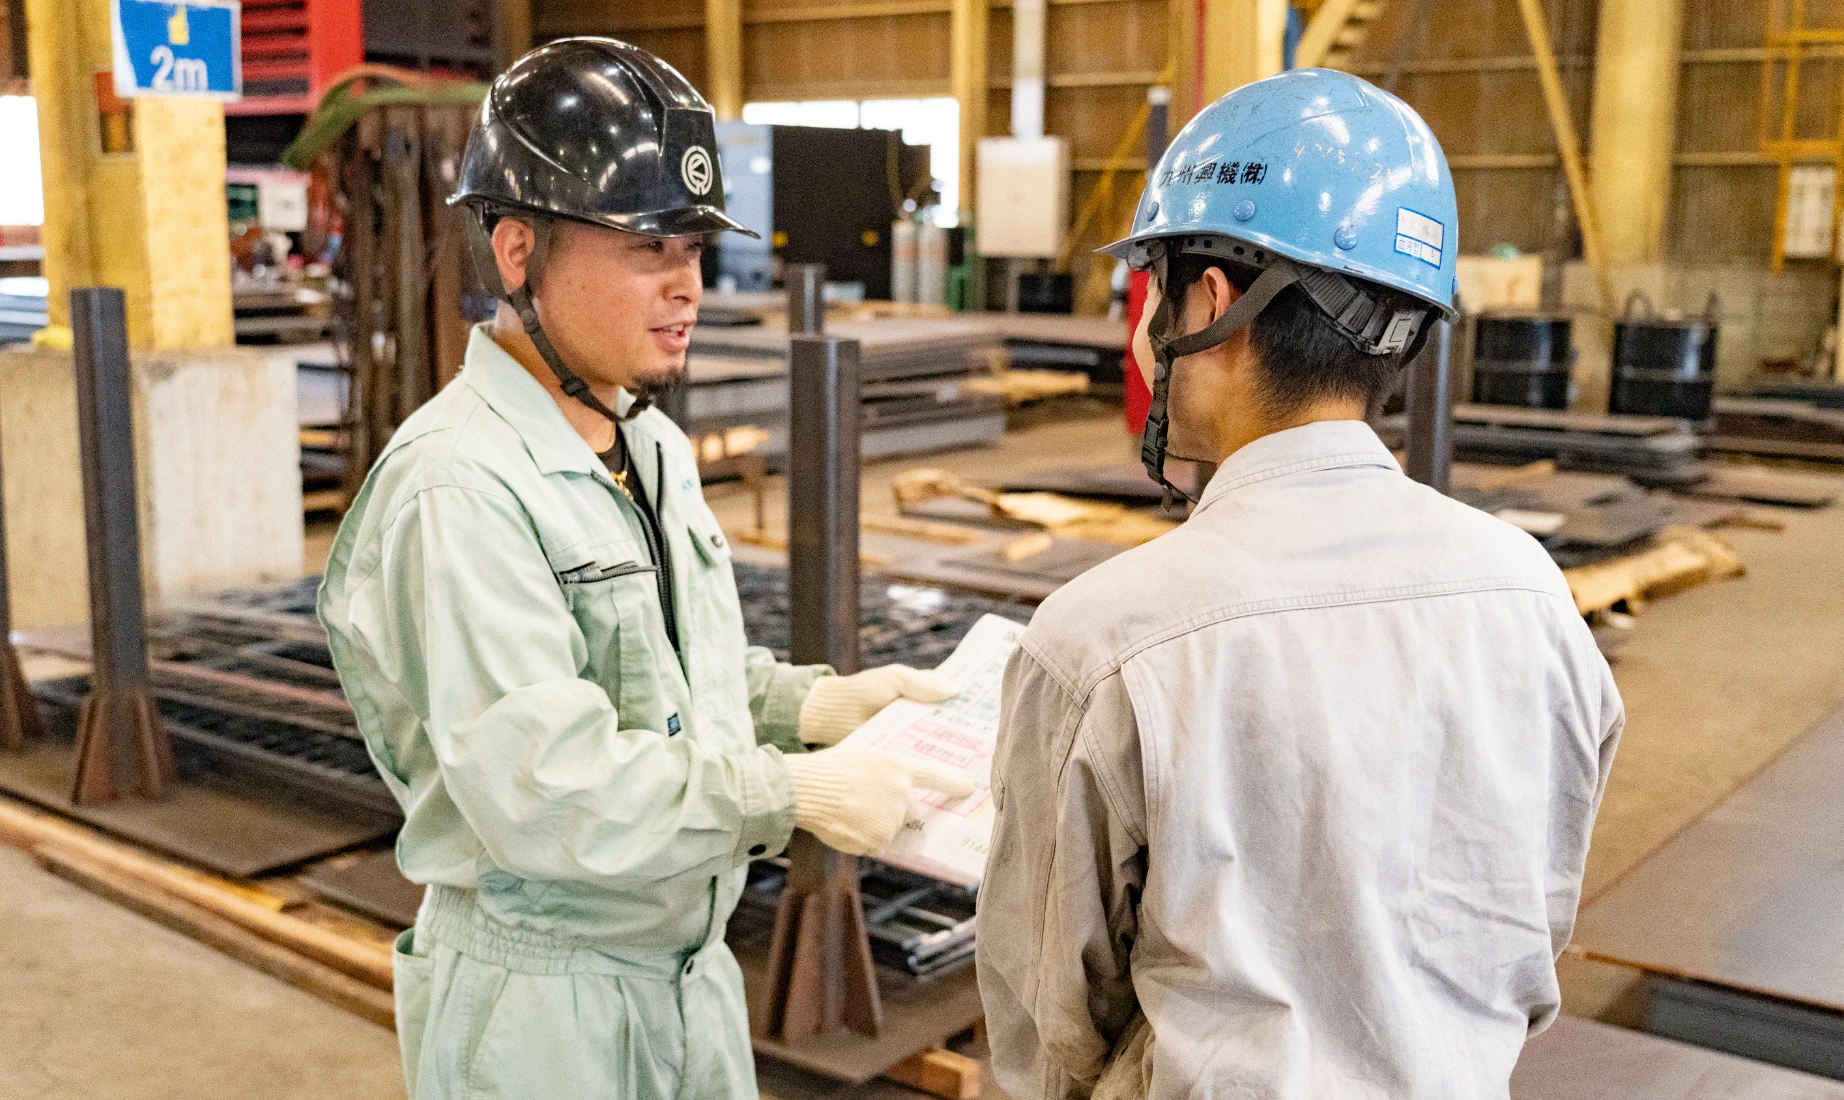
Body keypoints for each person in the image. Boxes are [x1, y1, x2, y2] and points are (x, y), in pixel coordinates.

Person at [317, 38, 969, 1100]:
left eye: (695, 249)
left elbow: (672, 679)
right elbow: (545, 786)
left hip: (688, 976)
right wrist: (789, 791)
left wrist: (812, 706)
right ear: (518, 250)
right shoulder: (460, 486)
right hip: (545, 1004)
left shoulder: (647, 444)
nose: (686, 287)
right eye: (647, 246)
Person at [976, 69, 1623, 1100]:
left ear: (1211, 301)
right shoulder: (1533, 599)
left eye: (1152, 289)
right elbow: (1529, 935)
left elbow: (1049, 1023)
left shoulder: (1103, 642)